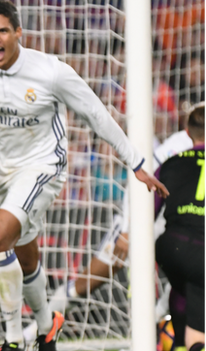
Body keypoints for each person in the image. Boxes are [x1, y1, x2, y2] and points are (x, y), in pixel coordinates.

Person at [0, 2, 168, 350]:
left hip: (44, 167)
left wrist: (135, 161)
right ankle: (48, 327)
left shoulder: (51, 71)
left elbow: (95, 112)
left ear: (19, 33)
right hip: (1, 173)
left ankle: (13, 339)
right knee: (26, 258)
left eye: (3, 31)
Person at [22, 129, 194, 343]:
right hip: (140, 224)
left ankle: (150, 330)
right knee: (87, 282)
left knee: (187, 280)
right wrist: (128, 229)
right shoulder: (174, 145)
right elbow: (142, 181)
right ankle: (30, 333)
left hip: (177, 227)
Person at [155, 102, 206, 351]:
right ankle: (195, 342)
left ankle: (175, 340)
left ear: (187, 133)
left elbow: (148, 210)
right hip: (201, 250)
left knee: (183, 286)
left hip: (169, 247)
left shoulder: (169, 163)